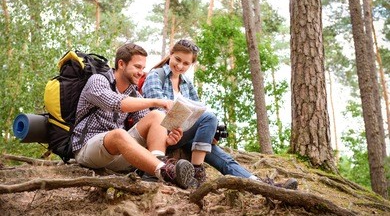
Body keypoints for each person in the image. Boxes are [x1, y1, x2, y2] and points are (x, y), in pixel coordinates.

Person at [142, 39, 298, 190]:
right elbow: (158, 111)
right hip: (162, 137)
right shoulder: (156, 75)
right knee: (209, 117)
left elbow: (197, 110)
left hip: (184, 134)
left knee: (222, 156)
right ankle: (196, 171)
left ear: (192, 64)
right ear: (171, 53)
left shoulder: (187, 83)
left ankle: (261, 184)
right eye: (177, 59)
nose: (180, 65)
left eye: (186, 63)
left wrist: (209, 133)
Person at [71, 43, 195, 189]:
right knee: (118, 134)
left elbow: (149, 126)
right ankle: (166, 171)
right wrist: (157, 101)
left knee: (157, 116)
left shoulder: (134, 93)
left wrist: (166, 141)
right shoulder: (98, 80)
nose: (141, 72)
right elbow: (116, 103)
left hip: (119, 154)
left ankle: (153, 175)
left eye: (143, 68)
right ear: (121, 64)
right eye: (137, 67)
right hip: (88, 150)